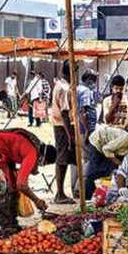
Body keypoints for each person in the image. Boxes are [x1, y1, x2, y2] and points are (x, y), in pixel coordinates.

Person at [0, 129, 56, 237]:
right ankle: (7, 227)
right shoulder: (32, 153)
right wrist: (36, 200)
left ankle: (12, 224)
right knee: (2, 190)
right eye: (43, 164)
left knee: (13, 189)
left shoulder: (34, 147)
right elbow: (22, 184)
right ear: (43, 159)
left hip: (3, 156)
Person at [85, 125, 128, 200]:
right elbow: (106, 149)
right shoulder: (127, 140)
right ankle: (87, 198)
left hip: (109, 148)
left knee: (111, 171)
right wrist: (118, 163)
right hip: (98, 141)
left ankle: (102, 195)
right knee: (94, 172)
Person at [51, 60, 76, 204]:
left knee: (64, 159)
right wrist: (69, 135)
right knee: (62, 159)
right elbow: (65, 113)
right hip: (62, 126)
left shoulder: (60, 85)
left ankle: (60, 193)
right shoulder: (64, 88)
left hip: (60, 125)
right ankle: (60, 194)